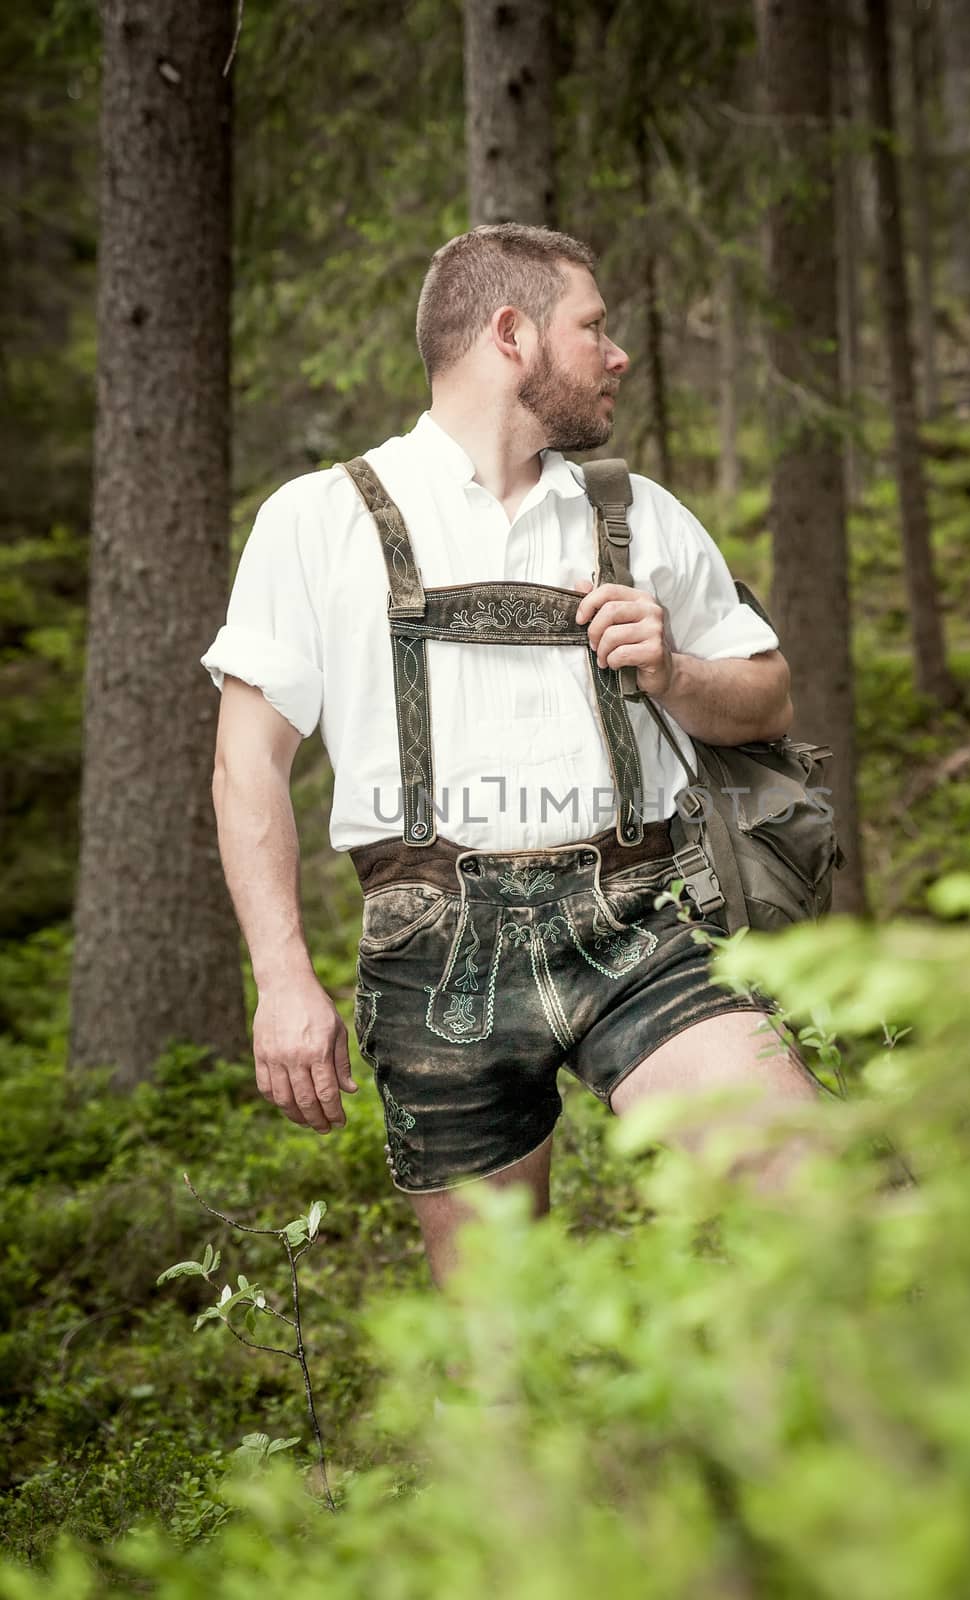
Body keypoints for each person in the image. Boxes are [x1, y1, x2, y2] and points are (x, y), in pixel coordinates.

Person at [202, 223, 822, 1288]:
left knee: (819, 1198)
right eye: (593, 327)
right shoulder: (318, 519)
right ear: (510, 333)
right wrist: (281, 977)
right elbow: (246, 763)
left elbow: (767, 695)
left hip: (642, 922)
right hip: (435, 950)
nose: (618, 354)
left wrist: (674, 671)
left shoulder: (636, 514)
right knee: (494, 1343)